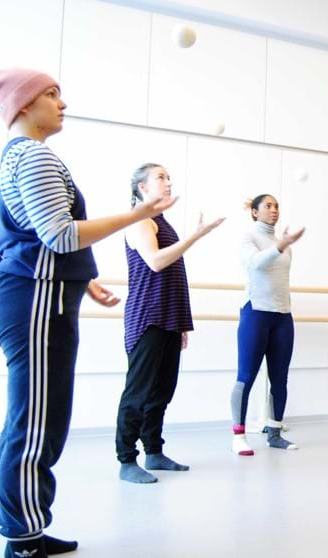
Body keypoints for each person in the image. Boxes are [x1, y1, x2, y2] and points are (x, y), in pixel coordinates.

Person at [0, 68, 175, 558]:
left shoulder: (24, 156)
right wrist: (139, 213)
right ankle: (22, 540)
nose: (62, 103)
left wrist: (82, 279)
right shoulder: (33, 155)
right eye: (51, 95)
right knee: (35, 422)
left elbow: (41, 234)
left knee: (42, 418)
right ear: (24, 106)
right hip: (33, 299)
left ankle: (28, 528)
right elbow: (62, 234)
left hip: (38, 293)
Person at [115, 163, 224, 483]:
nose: (167, 182)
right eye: (160, 178)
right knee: (138, 393)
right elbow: (157, 262)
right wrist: (196, 235)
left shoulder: (160, 221)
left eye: (168, 178)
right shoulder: (139, 221)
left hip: (168, 318)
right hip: (147, 318)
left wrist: (180, 323)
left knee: (162, 391)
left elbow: (173, 274)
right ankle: (126, 460)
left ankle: (154, 451)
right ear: (141, 188)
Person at [230, 195, 304, 455]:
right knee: (246, 376)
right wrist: (282, 244)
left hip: (282, 314)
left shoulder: (283, 243)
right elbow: (256, 264)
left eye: (276, 206)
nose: (274, 210)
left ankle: (274, 432)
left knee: (280, 378)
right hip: (256, 313)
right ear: (254, 211)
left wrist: (282, 243)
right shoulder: (249, 237)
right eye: (268, 206)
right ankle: (238, 435)